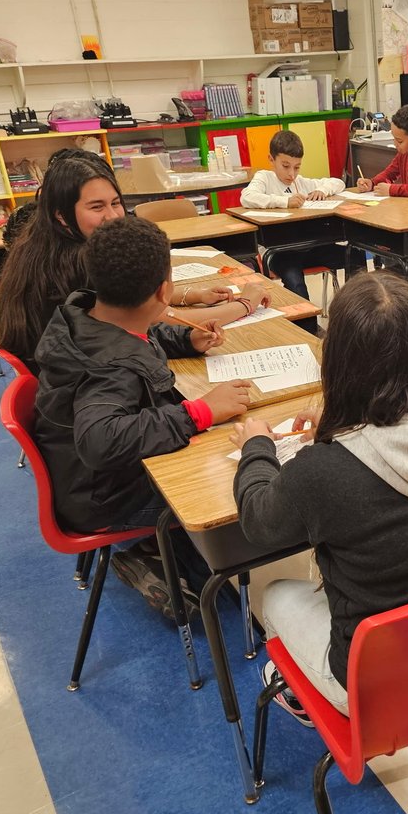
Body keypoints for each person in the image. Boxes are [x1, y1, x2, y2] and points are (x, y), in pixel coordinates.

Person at [231, 269, 408, 724]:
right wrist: (341, 427)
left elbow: (259, 522)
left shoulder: (321, 471)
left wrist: (256, 446)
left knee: (275, 592)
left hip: (380, 682)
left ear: (335, 362)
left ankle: (306, 695)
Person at [34, 216, 252, 615]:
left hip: (87, 481)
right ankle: (165, 556)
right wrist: (199, 411)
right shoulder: (109, 368)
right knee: (234, 481)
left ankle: (160, 553)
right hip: (107, 499)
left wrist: (188, 338)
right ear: (164, 291)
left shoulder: (89, 313)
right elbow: (100, 440)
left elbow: (142, 335)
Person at [0, 156, 268, 368]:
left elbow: (137, 298)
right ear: (61, 215)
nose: (113, 216)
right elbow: (159, 319)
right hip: (85, 382)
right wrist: (244, 304)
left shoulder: (41, 246)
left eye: (115, 203)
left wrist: (191, 294)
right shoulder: (81, 263)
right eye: (96, 207)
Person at [240, 129, 363, 303]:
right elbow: (247, 197)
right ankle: (308, 321)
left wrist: (322, 190)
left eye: (297, 167)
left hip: (310, 247)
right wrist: (285, 201)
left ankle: (356, 310)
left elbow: (338, 182)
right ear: (271, 159)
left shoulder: (301, 182)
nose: (292, 174)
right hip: (280, 252)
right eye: (285, 166)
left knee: (356, 256)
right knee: (295, 282)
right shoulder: (265, 178)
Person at [355, 104, 408, 199]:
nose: (395, 144)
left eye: (400, 141)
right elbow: (389, 174)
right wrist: (372, 183)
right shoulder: (404, 153)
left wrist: (392, 190)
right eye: (394, 138)